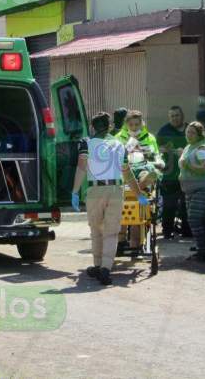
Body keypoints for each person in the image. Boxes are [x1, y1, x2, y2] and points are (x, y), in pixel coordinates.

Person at [71, 112, 147, 286]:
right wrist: (138, 194)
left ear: (93, 127)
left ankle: (98, 265)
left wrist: (75, 191)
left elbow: (81, 168)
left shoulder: (86, 143)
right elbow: (127, 172)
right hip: (115, 189)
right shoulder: (120, 144)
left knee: (96, 230)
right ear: (110, 126)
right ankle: (105, 268)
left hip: (95, 189)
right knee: (111, 232)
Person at [178, 122, 205, 262]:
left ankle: (201, 252)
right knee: (194, 220)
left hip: (203, 188)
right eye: (187, 132)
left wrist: (187, 164)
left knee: (194, 219)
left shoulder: (202, 147)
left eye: (192, 132)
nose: (189, 135)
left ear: (200, 134)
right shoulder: (189, 146)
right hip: (190, 190)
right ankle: (201, 249)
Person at [156, 106, 191, 239]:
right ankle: (167, 231)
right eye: (172, 116)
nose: (175, 118)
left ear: (182, 116)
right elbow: (156, 148)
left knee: (186, 205)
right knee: (169, 205)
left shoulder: (190, 129)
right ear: (169, 117)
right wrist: (164, 150)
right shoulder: (163, 131)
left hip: (188, 174)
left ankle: (187, 232)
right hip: (169, 174)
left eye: (177, 115)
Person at [115, 110, 164, 191]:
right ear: (126, 124)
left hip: (143, 166)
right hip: (125, 168)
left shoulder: (150, 138)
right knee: (124, 175)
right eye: (131, 125)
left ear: (141, 124)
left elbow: (155, 155)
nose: (134, 127)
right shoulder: (118, 137)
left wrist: (159, 161)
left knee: (147, 173)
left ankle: (137, 186)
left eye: (137, 124)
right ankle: (137, 187)